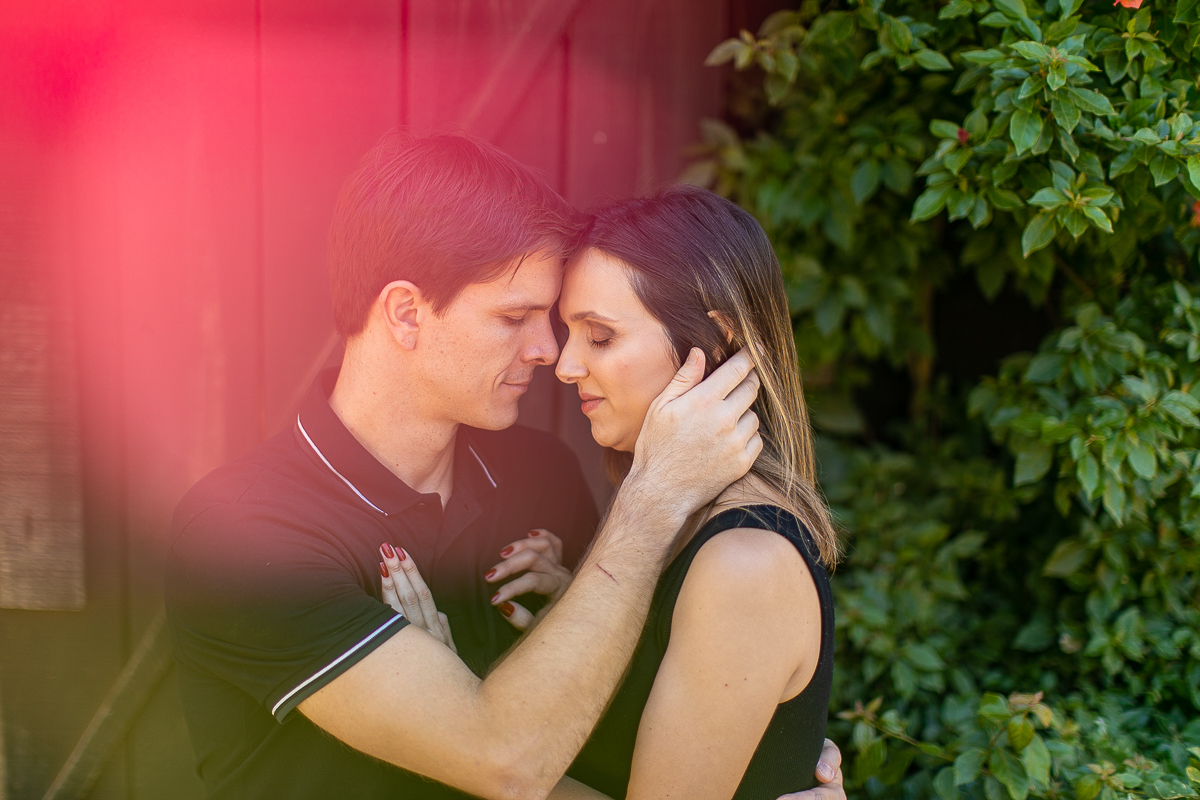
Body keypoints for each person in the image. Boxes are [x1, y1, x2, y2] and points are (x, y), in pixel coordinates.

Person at [165, 132, 844, 800]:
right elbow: (506, 762)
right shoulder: (245, 532)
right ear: (406, 313)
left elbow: (600, 722)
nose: (551, 352)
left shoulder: (539, 477)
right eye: (515, 316)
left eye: (582, 328)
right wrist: (651, 499)